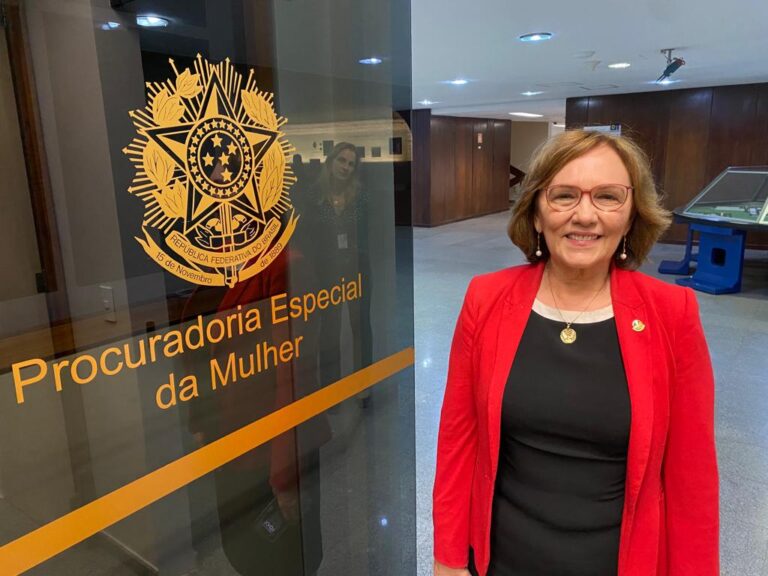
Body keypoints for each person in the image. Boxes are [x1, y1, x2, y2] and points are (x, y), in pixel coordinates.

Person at [432, 130, 719, 576]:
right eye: (564, 196)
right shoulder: (485, 299)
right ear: (537, 212)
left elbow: (692, 478)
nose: (585, 215)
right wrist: (448, 559)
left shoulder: (672, 314)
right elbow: (457, 443)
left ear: (631, 216)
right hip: (502, 559)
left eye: (607, 197)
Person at [306, 142, 373, 387]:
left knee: (361, 325)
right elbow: (308, 237)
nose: (345, 167)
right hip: (326, 271)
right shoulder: (314, 195)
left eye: (351, 164)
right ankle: (330, 388)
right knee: (330, 328)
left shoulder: (360, 196)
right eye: (341, 160)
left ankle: (364, 386)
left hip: (357, 268)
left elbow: (367, 233)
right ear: (331, 161)